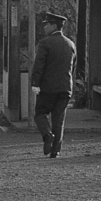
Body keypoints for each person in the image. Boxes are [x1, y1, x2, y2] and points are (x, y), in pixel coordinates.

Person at [30, 11, 76, 158]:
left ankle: (47, 135)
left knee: (40, 113)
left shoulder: (45, 43)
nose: (44, 27)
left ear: (54, 25)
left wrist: (35, 83)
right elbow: (72, 67)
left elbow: (39, 65)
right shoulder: (71, 44)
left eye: (47, 24)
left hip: (48, 87)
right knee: (59, 118)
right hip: (65, 88)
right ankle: (56, 150)